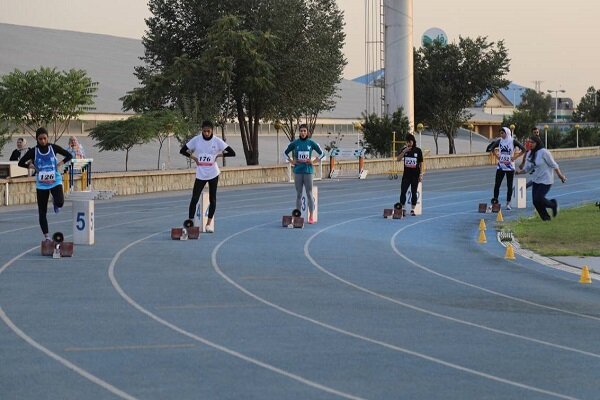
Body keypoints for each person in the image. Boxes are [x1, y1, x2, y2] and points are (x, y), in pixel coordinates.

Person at [179, 120, 235, 233]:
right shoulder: (196, 140)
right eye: (204, 131)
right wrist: (194, 158)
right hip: (201, 172)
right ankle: (190, 221)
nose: (206, 133)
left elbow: (232, 152)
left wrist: (218, 155)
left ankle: (208, 224)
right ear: (202, 130)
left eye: (208, 131)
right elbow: (183, 150)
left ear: (212, 130)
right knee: (194, 198)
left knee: (212, 199)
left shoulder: (217, 141)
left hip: (213, 173)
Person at [18, 127, 72, 240]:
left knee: (61, 202)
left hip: (55, 180)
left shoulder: (53, 148)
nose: (42, 141)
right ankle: (47, 237)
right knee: (42, 211)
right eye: (40, 139)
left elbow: (69, 155)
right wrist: (30, 165)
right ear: (37, 139)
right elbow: (20, 162)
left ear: (47, 138)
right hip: (41, 184)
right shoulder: (33, 151)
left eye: (44, 138)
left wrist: (60, 163)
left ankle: (55, 203)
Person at [516, 135, 566, 221]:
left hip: (546, 180)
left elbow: (553, 164)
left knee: (539, 198)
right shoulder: (529, 153)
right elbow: (528, 168)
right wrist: (519, 172)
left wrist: (560, 175)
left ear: (537, 143)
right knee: (535, 202)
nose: (530, 144)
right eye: (529, 142)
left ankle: (553, 204)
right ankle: (546, 219)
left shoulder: (544, 152)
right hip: (536, 180)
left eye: (532, 142)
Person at [284, 124, 324, 224]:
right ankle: (298, 216)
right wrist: (291, 161)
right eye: (301, 131)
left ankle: (311, 215)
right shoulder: (295, 143)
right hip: (298, 171)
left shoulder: (311, 143)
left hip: (308, 171)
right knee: (298, 194)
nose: (302, 133)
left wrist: (313, 161)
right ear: (299, 132)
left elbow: (322, 153)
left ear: (307, 132)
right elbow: (284, 153)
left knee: (309, 194)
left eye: (304, 131)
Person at [486, 127, 526, 210]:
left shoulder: (513, 141)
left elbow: (524, 149)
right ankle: (495, 202)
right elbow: (491, 148)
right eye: (500, 133)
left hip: (510, 167)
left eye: (502, 133)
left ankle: (508, 203)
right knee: (497, 184)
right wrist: (497, 156)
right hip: (500, 166)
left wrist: (515, 157)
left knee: (509, 185)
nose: (501, 135)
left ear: (507, 133)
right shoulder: (499, 141)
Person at [397, 133, 424, 216]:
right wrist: (404, 152)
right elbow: (398, 159)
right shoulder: (404, 150)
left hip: (415, 175)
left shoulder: (418, 150)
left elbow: (421, 163)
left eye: (410, 141)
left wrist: (421, 174)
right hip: (406, 175)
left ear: (413, 141)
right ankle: (403, 209)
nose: (408, 143)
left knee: (414, 192)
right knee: (403, 191)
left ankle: (412, 209)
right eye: (407, 142)